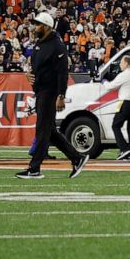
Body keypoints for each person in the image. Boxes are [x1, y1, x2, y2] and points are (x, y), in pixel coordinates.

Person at [16, 11, 89, 179]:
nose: (35, 27)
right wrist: (29, 73)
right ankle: (77, 158)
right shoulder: (39, 43)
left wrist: (61, 95)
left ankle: (34, 168)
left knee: (42, 130)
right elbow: (33, 65)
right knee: (49, 131)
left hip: (50, 92)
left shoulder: (57, 45)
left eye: (38, 24)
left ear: (47, 27)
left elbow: (62, 73)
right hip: (41, 91)